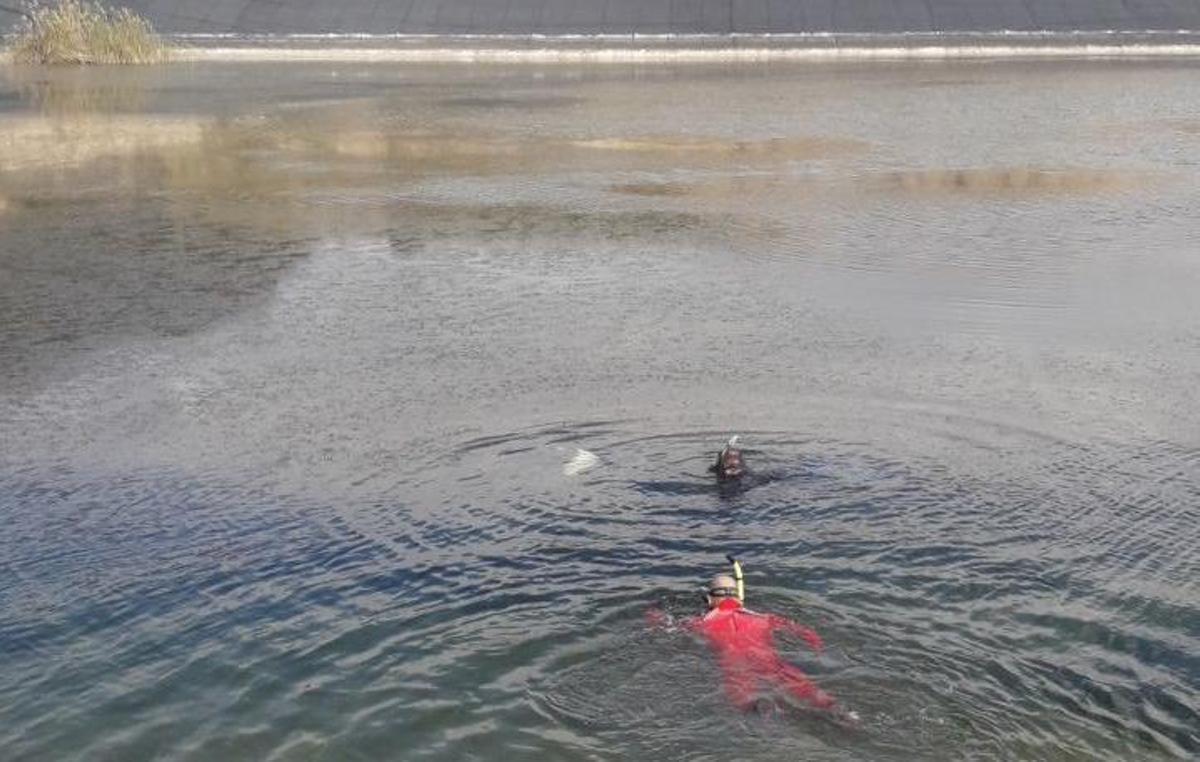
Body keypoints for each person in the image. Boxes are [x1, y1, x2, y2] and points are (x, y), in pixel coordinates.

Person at [649, 571, 857, 723]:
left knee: (747, 706)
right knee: (815, 694)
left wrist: (654, 614)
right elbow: (807, 634)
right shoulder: (766, 618)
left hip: (736, 669)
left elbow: (667, 628)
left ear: (710, 600)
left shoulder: (701, 623)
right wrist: (817, 649)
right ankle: (844, 714)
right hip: (774, 664)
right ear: (738, 597)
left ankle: (766, 710)